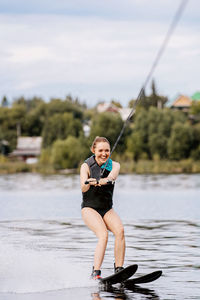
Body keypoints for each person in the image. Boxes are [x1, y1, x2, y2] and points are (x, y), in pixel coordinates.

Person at [80, 136, 125, 280]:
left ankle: (119, 269)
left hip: (106, 209)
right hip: (89, 209)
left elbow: (112, 178)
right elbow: (83, 186)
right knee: (103, 235)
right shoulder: (86, 166)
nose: (104, 153)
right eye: (100, 150)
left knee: (120, 231)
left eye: (107, 150)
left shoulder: (115, 165)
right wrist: (89, 182)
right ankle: (96, 272)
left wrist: (101, 181)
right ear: (94, 150)